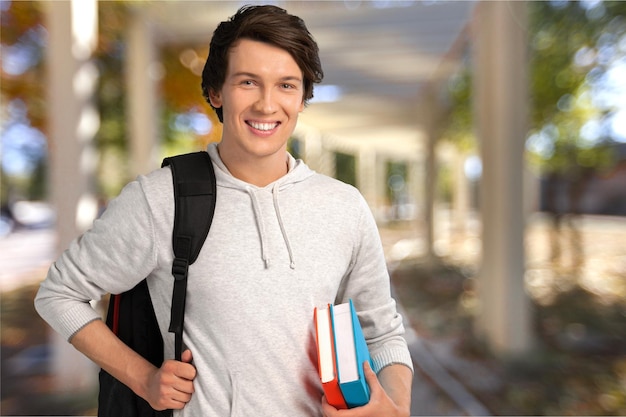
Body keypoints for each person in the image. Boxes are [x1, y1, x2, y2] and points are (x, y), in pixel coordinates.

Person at [35, 4, 413, 416]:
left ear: (304, 96)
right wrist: (144, 379)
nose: (267, 105)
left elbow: (382, 333)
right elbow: (60, 293)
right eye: (248, 82)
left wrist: (394, 409)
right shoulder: (162, 199)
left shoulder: (345, 207)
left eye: (286, 85)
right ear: (217, 91)